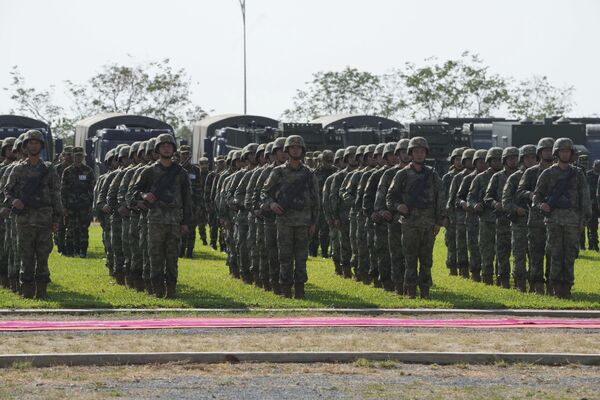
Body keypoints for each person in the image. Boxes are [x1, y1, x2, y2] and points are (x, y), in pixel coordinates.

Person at [4, 130, 63, 299]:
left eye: (37, 143)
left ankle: (42, 291)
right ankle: (27, 292)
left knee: (43, 256)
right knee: (26, 256)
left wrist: (57, 218)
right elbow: (7, 192)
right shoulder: (17, 169)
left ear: (41, 146)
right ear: (25, 146)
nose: (33, 145)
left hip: (45, 218)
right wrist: (14, 201)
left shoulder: (49, 169)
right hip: (24, 220)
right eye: (30, 143)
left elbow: (56, 194)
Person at [132, 134, 192, 298]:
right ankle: (157, 290)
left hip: (174, 221)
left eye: (169, 145)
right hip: (155, 221)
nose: (166, 148)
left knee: (172, 258)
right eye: (163, 146)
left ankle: (171, 290)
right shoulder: (149, 172)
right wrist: (144, 196)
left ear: (173, 149)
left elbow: (187, 200)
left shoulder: (181, 173)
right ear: (157, 150)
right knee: (155, 256)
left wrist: (186, 222)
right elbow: (133, 193)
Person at [386, 137, 446, 299]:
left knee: (427, 260)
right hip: (409, 224)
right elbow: (390, 198)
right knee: (410, 259)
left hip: (428, 225)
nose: (419, 154)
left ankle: (425, 291)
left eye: (422, 151)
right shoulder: (402, 174)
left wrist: (439, 221)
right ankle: (410, 291)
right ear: (410, 153)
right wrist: (399, 207)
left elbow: (440, 198)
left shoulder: (433, 175)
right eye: (416, 151)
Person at [261, 135, 320, 299]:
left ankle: (300, 290)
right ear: (287, 150)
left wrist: (314, 222)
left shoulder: (309, 174)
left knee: (301, 258)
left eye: (298, 147)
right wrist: (271, 204)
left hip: (304, 222)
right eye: (292, 147)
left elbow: (316, 200)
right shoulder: (278, 172)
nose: (295, 150)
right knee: (285, 257)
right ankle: (286, 290)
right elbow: (264, 193)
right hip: (284, 221)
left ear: (302, 150)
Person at [533, 138, 591, 299]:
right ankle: (555, 287)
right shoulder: (548, 173)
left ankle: (567, 287)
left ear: (571, 154)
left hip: (573, 220)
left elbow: (585, 199)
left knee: (570, 254)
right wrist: (541, 205)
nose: (565, 154)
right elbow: (537, 196)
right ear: (556, 153)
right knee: (554, 253)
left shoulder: (578, 174)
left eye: (568, 151)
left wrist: (583, 221)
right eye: (562, 151)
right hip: (554, 220)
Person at [517, 137, 555, 294]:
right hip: (535, 219)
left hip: (555, 219)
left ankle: (552, 285)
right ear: (540, 152)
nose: (548, 152)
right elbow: (519, 191)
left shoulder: (560, 172)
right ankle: (537, 285)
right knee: (536, 253)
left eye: (550, 149)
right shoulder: (531, 172)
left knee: (553, 253)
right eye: (545, 150)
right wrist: (531, 195)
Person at [502, 144, 537, 292]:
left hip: (538, 222)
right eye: (527, 157)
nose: (530, 160)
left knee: (536, 256)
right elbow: (506, 201)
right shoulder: (514, 177)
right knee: (519, 255)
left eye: (533, 157)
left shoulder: (542, 174)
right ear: (522, 159)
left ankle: (535, 285)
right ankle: (520, 285)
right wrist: (517, 209)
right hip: (520, 222)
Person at [484, 147, 519, 288]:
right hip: (502, 219)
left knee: (519, 252)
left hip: (519, 218)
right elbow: (487, 197)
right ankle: (503, 280)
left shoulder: (523, 175)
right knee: (502, 252)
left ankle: (519, 281)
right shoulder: (497, 177)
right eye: (510, 158)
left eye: (515, 158)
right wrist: (495, 204)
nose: (513, 160)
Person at [467, 147, 503, 285]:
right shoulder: (480, 178)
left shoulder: (507, 176)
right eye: (494, 160)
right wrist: (474, 205)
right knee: (486, 249)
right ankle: (487, 277)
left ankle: (501, 278)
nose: (497, 162)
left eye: (499, 159)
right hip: (486, 219)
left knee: (502, 251)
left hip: (503, 219)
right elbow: (470, 196)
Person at [61, 146, 95, 258]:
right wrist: (64, 207)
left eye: (80, 156)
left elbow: (92, 189)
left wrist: (91, 205)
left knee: (83, 229)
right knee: (70, 229)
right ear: (73, 156)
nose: (78, 158)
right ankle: (70, 252)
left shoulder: (88, 171)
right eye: (76, 156)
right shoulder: (67, 171)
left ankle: (82, 251)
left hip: (84, 206)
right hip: (70, 205)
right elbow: (63, 190)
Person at [442, 147, 465, 275]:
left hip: (464, 215)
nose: (460, 161)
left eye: (462, 159)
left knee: (463, 243)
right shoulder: (447, 177)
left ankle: (463, 268)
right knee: (451, 242)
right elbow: (444, 197)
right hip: (451, 215)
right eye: (457, 159)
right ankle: (452, 268)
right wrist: (444, 216)